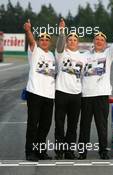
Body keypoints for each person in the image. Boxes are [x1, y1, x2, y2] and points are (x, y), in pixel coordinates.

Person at [79, 19, 113, 159]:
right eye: (97, 39)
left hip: (102, 96)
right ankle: (82, 152)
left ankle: (103, 151)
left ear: (105, 43)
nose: (99, 41)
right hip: (85, 96)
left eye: (102, 39)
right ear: (93, 41)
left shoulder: (108, 54)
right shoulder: (84, 56)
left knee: (102, 126)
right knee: (84, 126)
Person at [24, 19, 55, 161]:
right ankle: (29, 152)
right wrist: (28, 30)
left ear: (50, 42)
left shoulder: (52, 56)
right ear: (38, 41)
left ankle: (40, 151)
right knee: (33, 124)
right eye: (41, 39)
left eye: (46, 39)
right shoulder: (34, 51)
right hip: (35, 93)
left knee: (45, 126)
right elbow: (31, 41)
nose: (44, 41)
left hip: (49, 96)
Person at [54, 18, 85, 159]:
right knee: (60, 125)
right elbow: (60, 44)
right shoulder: (61, 53)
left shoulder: (83, 58)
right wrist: (62, 31)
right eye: (70, 39)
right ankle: (59, 151)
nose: (72, 41)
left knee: (73, 126)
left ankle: (69, 151)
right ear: (67, 41)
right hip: (61, 92)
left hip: (76, 95)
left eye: (74, 39)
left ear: (77, 43)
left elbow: (85, 76)